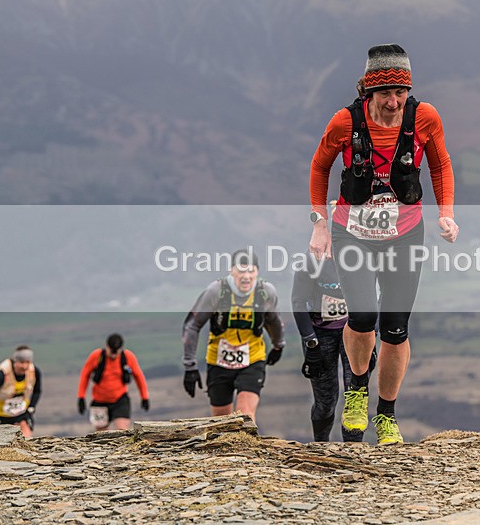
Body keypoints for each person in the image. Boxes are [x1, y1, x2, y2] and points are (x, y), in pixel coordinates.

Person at [308, 43, 458, 444]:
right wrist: (319, 224)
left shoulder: (424, 117)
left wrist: (446, 212)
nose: (393, 102)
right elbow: (319, 166)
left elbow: (440, 163)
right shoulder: (344, 123)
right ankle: (357, 388)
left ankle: (386, 413)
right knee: (360, 317)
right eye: (385, 93)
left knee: (395, 329)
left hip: (404, 235)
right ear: (368, 93)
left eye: (401, 92)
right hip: (352, 231)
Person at [292, 202, 378, 442]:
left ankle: (352, 451)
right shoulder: (312, 262)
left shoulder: (364, 258)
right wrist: (310, 344)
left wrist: (374, 334)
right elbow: (298, 303)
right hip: (321, 334)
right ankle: (321, 446)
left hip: (355, 334)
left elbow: (377, 298)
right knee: (326, 400)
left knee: (355, 394)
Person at [182, 248, 285, 426]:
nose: (246, 276)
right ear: (232, 270)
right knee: (221, 421)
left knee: (245, 414)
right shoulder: (216, 291)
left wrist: (278, 345)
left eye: (251, 271)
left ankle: (248, 452)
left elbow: (273, 320)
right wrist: (190, 367)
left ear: (257, 272)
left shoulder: (265, 292)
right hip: (219, 361)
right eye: (241, 270)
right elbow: (192, 324)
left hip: (252, 358)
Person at [77, 333, 149, 432]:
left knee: (122, 431)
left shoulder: (128, 357)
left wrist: (144, 397)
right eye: (111, 351)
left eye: (116, 352)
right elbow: (85, 375)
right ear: (106, 346)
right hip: (99, 401)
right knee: (100, 434)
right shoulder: (96, 356)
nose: (114, 355)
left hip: (120, 400)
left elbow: (139, 376)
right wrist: (81, 397)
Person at [0, 345, 41, 438]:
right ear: (14, 361)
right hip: (1, 417)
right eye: (21, 362)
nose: (24, 366)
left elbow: (37, 391)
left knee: (26, 441)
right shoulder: (2, 375)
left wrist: (31, 408)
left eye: (27, 362)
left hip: (22, 415)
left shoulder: (34, 372)